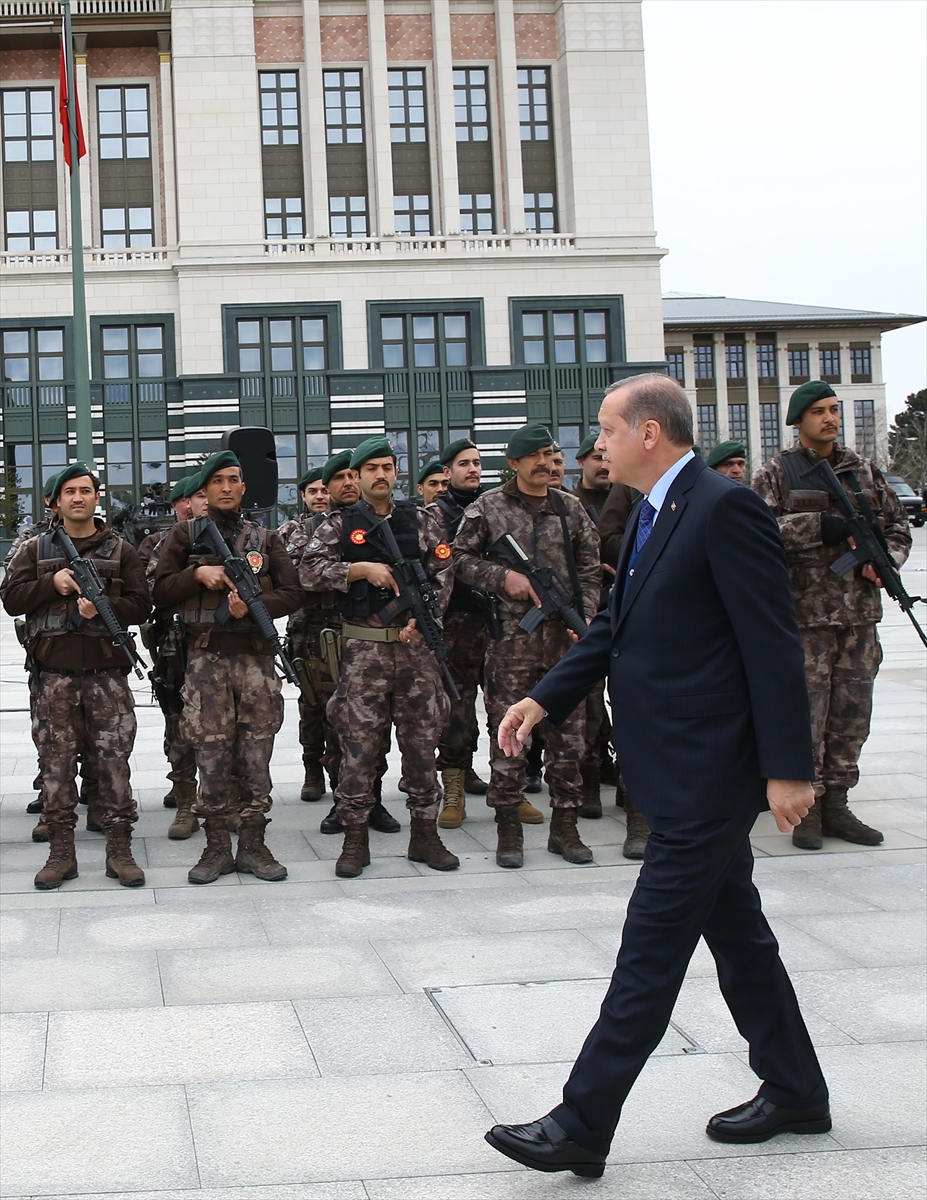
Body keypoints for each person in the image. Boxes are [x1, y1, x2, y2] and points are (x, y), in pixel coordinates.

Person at [485, 375, 829, 1176]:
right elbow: (615, 628)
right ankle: (796, 1088)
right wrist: (542, 699)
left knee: (648, 951)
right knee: (739, 938)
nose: (592, 445)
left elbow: (772, 643)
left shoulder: (723, 506)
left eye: (604, 430)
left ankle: (580, 1121)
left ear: (647, 433)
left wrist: (787, 770)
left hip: (709, 774)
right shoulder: (652, 509)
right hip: (672, 763)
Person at [753, 380, 911, 850]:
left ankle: (838, 801)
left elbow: (897, 527)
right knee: (807, 714)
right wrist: (819, 526)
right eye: (819, 411)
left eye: (834, 410)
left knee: (852, 713)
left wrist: (885, 561)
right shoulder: (778, 472)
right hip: (804, 617)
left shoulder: (863, 471)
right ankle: (810, 807)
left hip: (859, 616)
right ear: (798, 420)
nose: (830, 418)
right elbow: (757, 529)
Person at [298, 436, 458, 878]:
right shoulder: (336, 525)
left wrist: (426, 619)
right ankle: (354, 839)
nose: (381, 475)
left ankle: (425, 835)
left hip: (415, 649)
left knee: (423, 743)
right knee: (358, 746)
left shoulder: (421, 519)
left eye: (387, 467)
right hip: (364, 650)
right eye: (371, 470)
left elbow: (445, 571)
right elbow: (308, 572)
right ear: (357, 477)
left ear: (396, 471)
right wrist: (357, 570)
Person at [453, 423, 601, 868]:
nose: (543, 462)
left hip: (564, 643)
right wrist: (504, 578)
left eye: (549, 454)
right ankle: (508, 831)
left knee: (569, 739)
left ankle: (566, 829)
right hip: (511, 643)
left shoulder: (571, 509)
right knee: (509, 737)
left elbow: (592, 569)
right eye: (533, 456)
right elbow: (458, 559)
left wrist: (588, 618)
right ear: (513, 464)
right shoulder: (488, 508)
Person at [152, 450, 303, 884]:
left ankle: (253, 844)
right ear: (206, 489)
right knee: (212, 754)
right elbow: (159, 592)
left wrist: (254, 605)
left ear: (242, 487)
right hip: (204, 661)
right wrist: (198, 577)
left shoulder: (266, 539)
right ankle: (216, 846)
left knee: (257, 754)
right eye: (216, 481)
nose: (225, 488)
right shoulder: (184, 536)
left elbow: (294, 593)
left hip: (255, 661)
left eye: (233, 480)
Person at [2, 462, 152, 889]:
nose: (78, 498)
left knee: (114, 766)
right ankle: (61, 854)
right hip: (55, 676)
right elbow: (11, 599)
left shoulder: (121, 549)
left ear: (96, 497)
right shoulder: (35, 550)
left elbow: (144, 605)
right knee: (56, 766)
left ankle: (119, 851)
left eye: (85, 490)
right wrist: (57, 585)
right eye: (70, 491)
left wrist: (105, 607)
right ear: (57, 501)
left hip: (107, 675)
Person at [285, 451, 400, 835]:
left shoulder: (379, 523)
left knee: (372, 724)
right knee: (330, 718)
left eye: (355, 475)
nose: (348, 483)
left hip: (368, 636)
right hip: (318, 638)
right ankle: (337, 794)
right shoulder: (310, 531)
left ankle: (375, 796)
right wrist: (354, 572)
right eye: (340, 479)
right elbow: (300, 574)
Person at [138, 474, 209, 837]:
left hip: (221, 645)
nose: (200, 503)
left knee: (228, 726)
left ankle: (227, 800)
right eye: (192, 497)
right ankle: (185, 803)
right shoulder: (159, 543)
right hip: (176, 648)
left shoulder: (233, 539)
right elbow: (150, 591)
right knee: (179, 727)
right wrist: (195, 576)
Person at [432, 439, 491, 827]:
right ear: (447, 472)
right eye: (464, 464)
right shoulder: (433, 515)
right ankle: (452, 786)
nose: (473, 469)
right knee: (456, 708)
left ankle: (509, 788)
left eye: (477, 463)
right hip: (454, 624)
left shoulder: (494, 506)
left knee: (505, 704)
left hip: (497, 622)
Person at [278, 467, 337, 803]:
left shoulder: (345, 525)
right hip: (305, 628)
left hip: (342, 628)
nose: (319, 496)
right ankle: (312, 771)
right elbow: (291, 573)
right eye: (312, 491)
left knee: (343, 705)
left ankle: (341, 772)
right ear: (303, 495)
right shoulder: (290, 531)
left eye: (323, 490)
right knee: (311, 705)